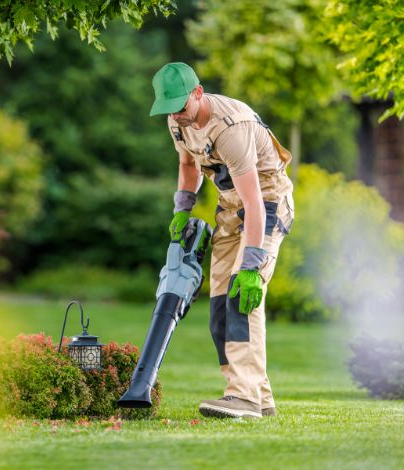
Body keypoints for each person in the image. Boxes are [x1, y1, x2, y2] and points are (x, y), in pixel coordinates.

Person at [150, 62, 295, 419]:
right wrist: (182, 209)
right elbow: (187, 166)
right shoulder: (177, 119)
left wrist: (251, 264)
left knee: (241, 296)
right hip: (229, 207)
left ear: (198, 93)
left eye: (181, 107)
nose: (177, 116)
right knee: (219, 308)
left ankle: (243, 397)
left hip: (266, 203)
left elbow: (255, 202)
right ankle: (260, 398)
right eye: (169, 110)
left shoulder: (232, 127)